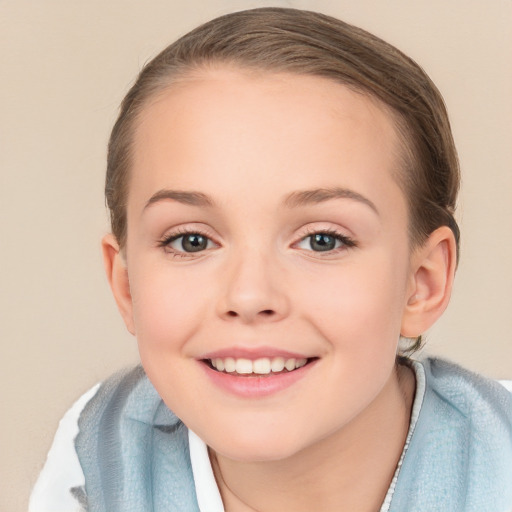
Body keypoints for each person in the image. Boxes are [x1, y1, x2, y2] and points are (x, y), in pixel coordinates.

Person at [30, 7, 512, 512]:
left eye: (323, 240)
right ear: (127, 286)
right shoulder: (100, 454)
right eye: (191, 241)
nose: (249, 295)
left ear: (422, 282)